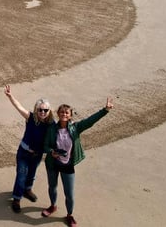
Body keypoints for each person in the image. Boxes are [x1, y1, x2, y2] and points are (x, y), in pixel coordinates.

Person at [41, 97, 114, 227]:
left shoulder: (76, 128)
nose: (64, 114)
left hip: (67, 165)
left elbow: (90, 121)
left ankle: (69, 215)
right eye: (62, 112)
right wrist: (51, 151)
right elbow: (45, 145)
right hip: (52, 163)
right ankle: (53, 206)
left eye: (66, 112)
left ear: (70, 115)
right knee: (52, 187)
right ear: (58, 114)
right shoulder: (52, 129)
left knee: (69, 193)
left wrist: (105, 110)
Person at [4, 85, 54, 213]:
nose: (42, 112)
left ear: (49, 111)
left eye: (45, 110)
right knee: (21, 175)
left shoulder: (51, 124)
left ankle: (27, 190)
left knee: (31, 174)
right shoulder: (30, 117)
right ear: (36, 110)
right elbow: (18, 107)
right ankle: (16, 198)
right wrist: (10, 96)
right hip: (24, 153)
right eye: (40, 110)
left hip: (37, 155)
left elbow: (61, 131)